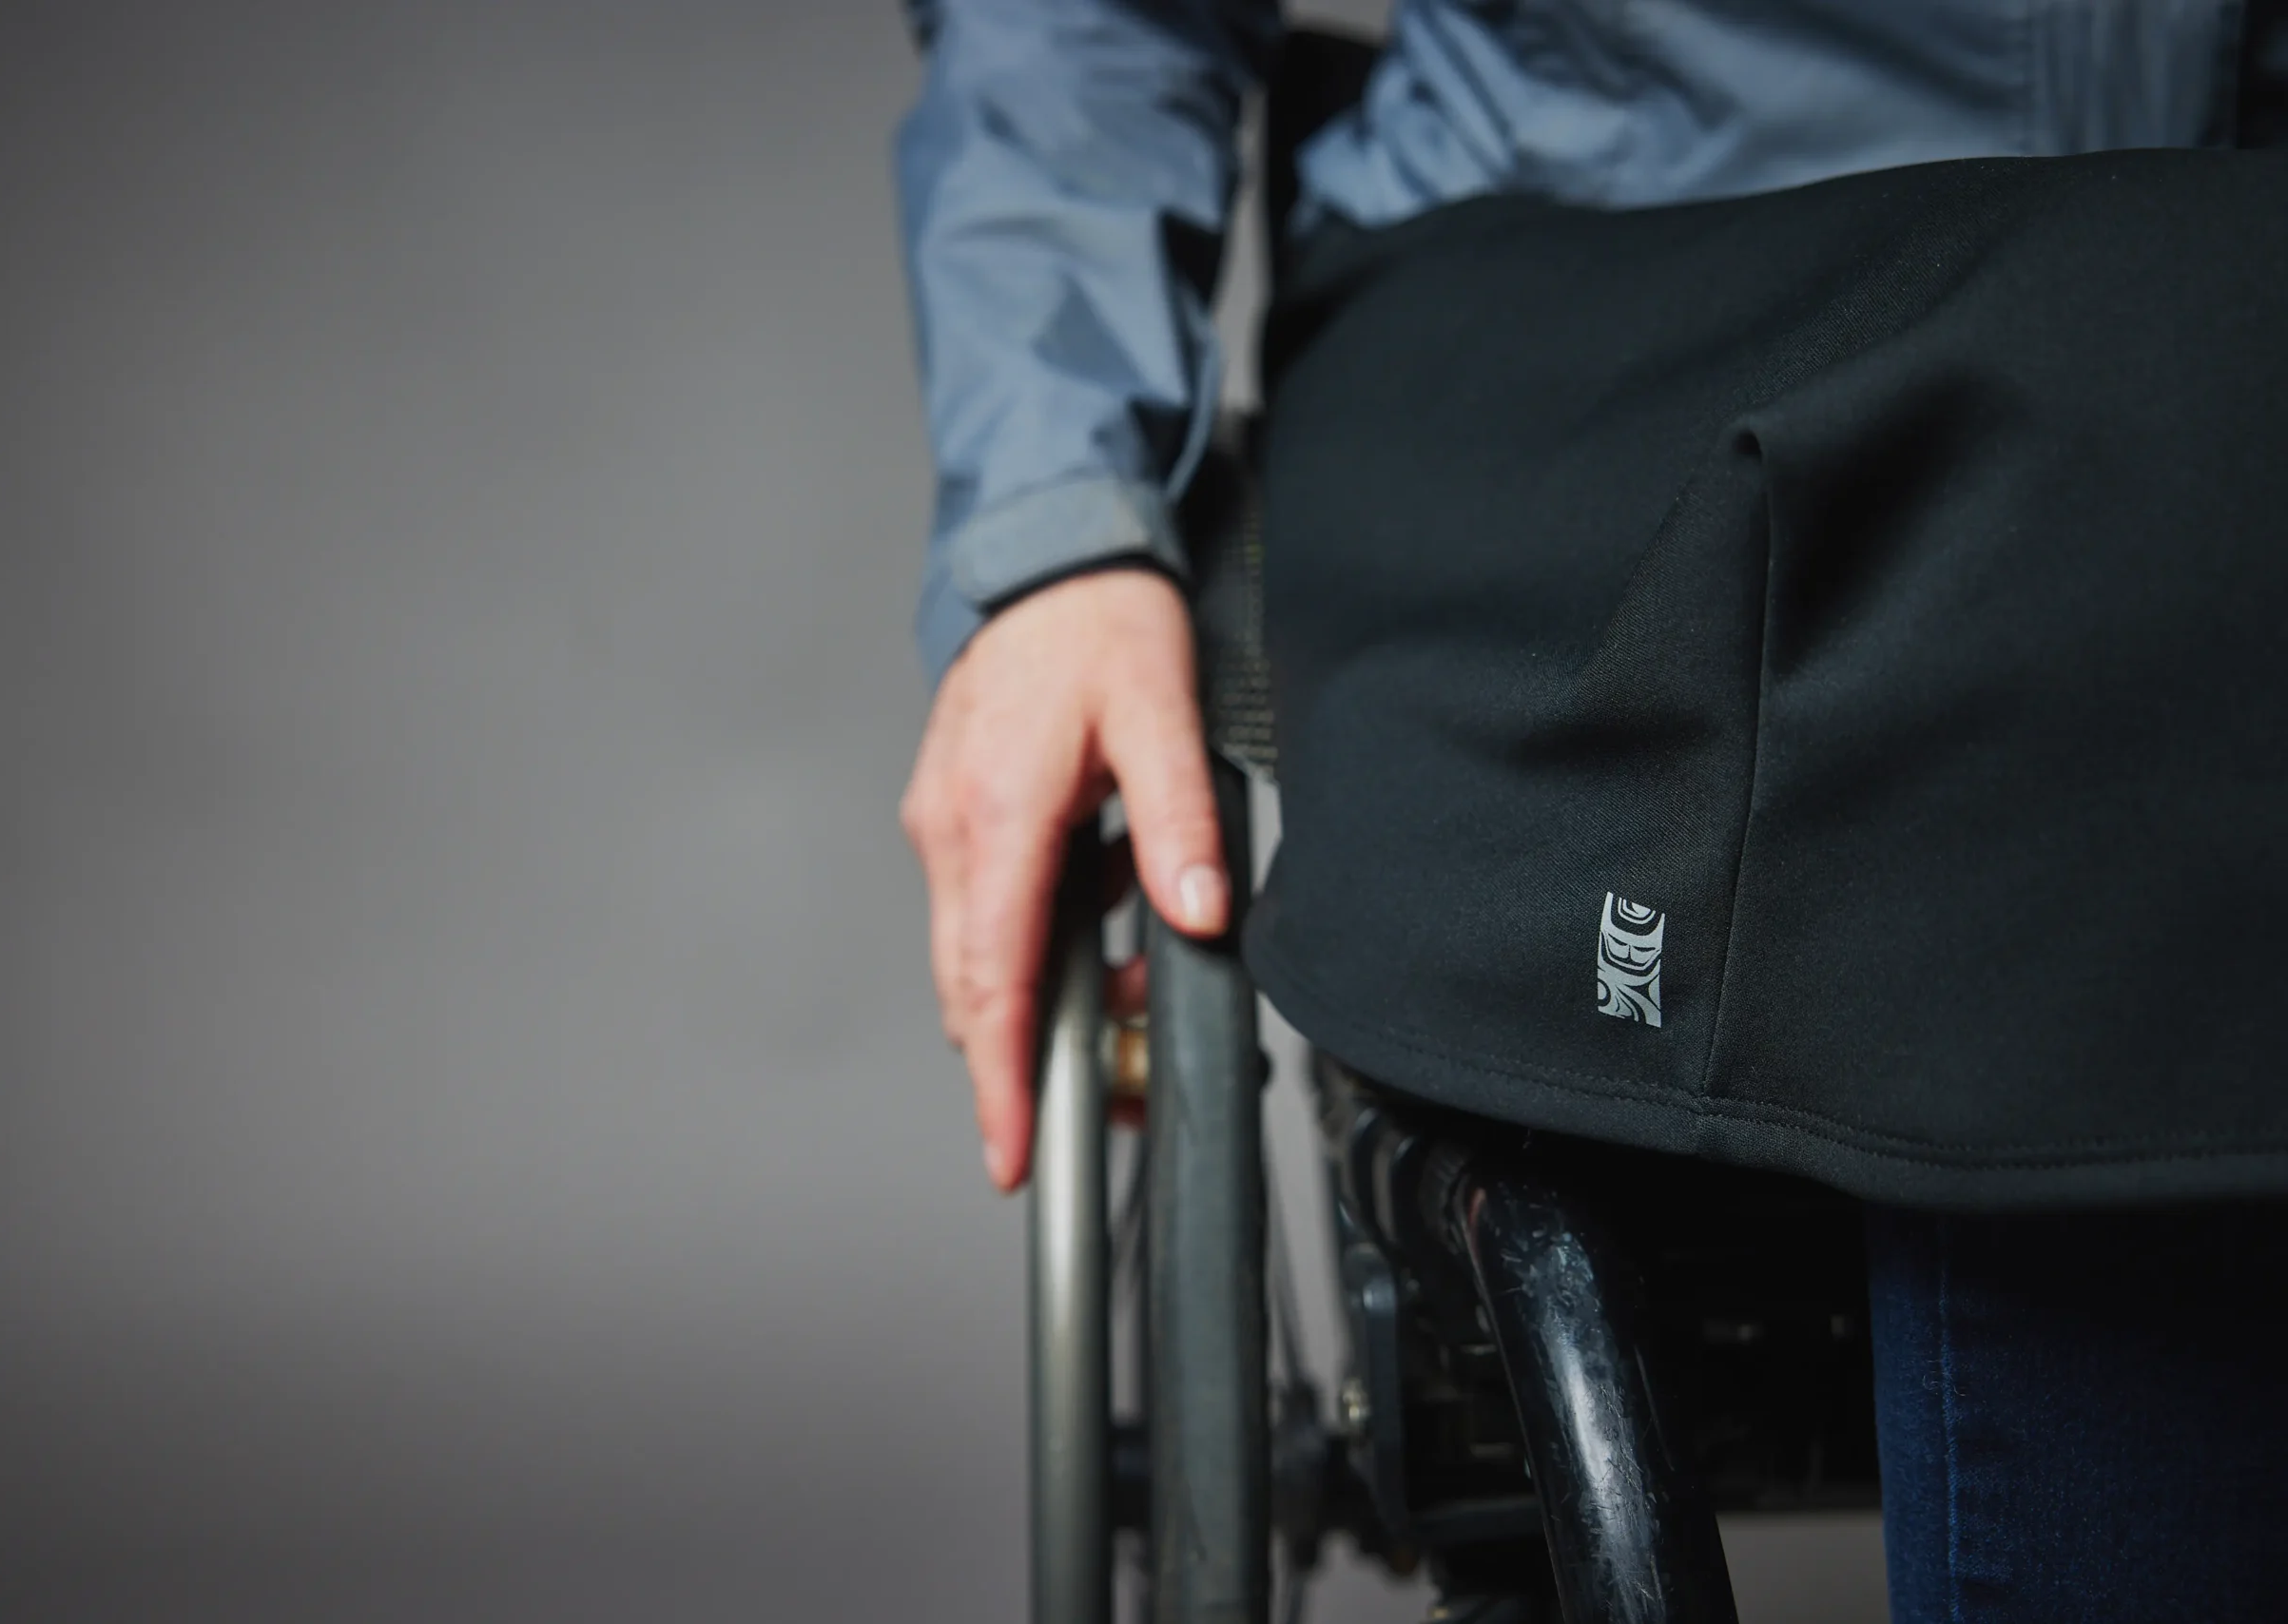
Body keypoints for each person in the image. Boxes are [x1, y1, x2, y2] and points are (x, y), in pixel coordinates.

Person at [892, 4, 2288, 1619]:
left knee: (2189, 381)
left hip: (2200, 347)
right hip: (1599, 285)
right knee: (2141, 387)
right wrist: (1056, 525)